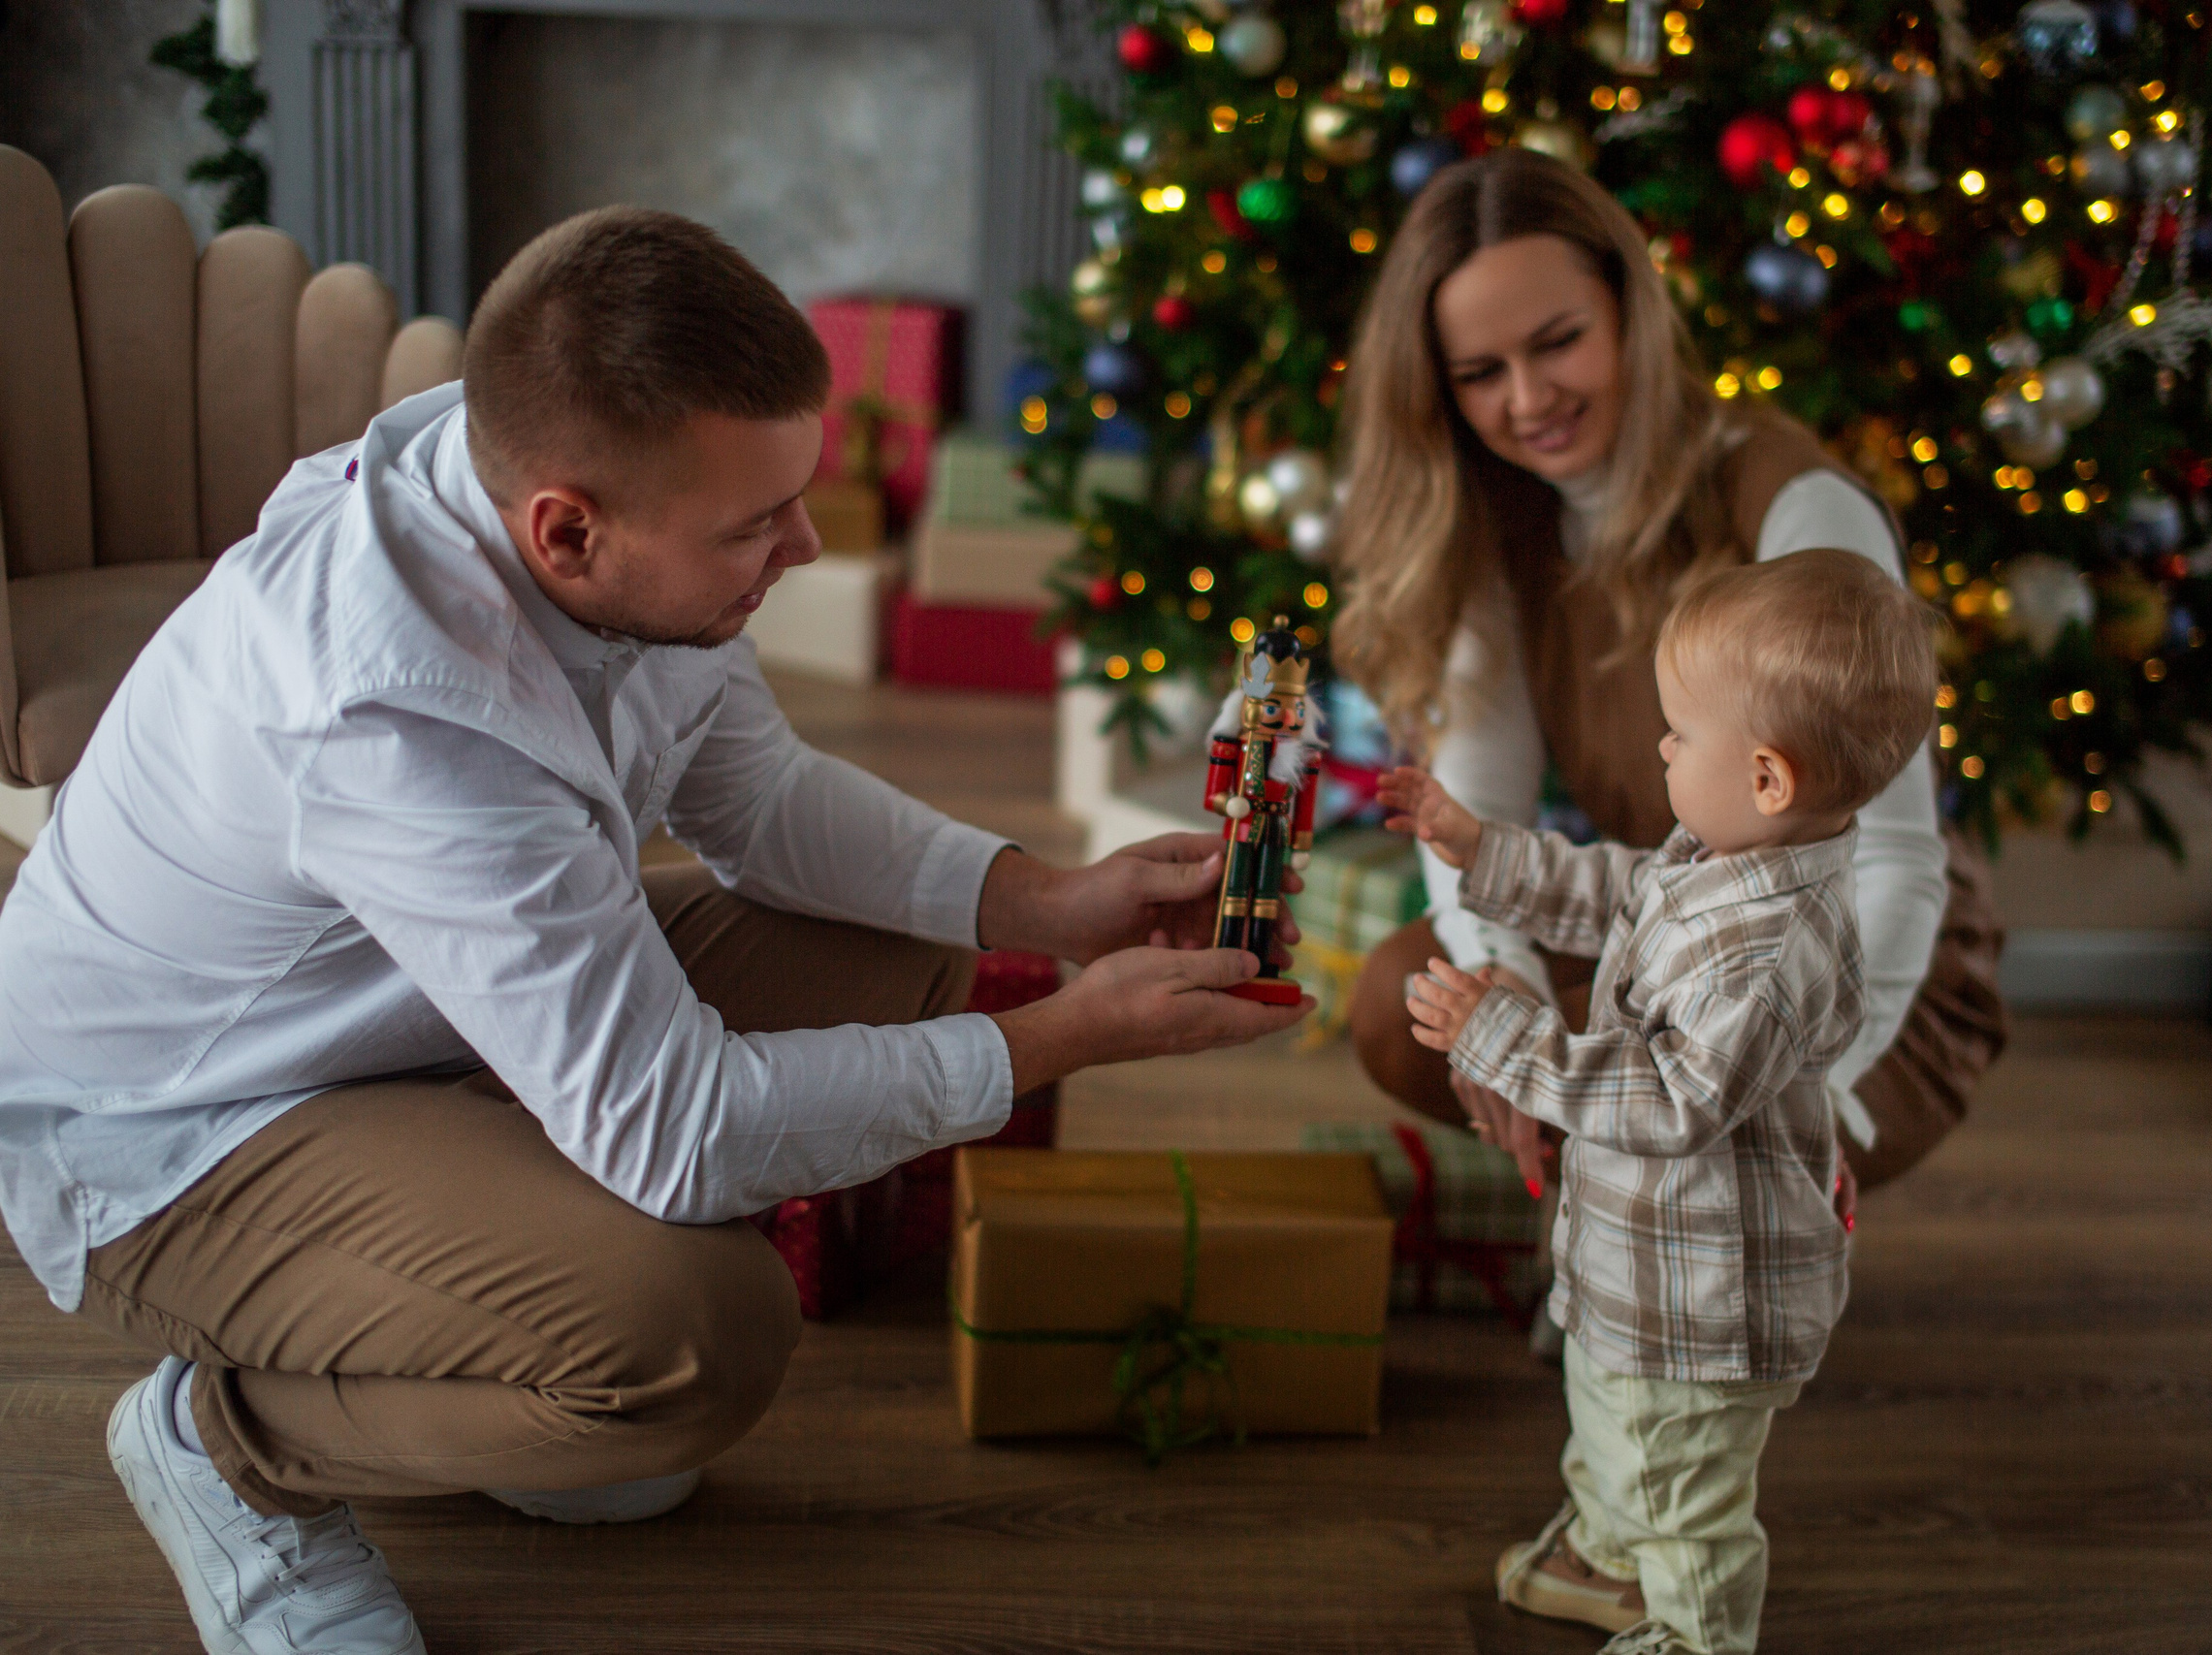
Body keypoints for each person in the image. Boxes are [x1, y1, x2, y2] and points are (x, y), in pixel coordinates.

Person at [0, 207, 1309, 1655]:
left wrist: (1054, 900)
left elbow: (760, 799)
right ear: (566, 529)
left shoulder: (578, 485)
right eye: (759, 526)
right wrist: (1069, 1032)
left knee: (904, 964)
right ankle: (226, 1441)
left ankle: (461, 1325)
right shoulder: (393, 710)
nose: (804, 548)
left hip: (408, 1017)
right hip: (181, 1126)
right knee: (694, 1339)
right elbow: (676, 1134)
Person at [1332, 149, 2004, 1192]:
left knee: (1714, 1123)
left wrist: (1794, 1092)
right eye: (1478, 373)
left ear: (1627, 312)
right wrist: (1501, 1006)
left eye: (1559, 341)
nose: (1528, 398)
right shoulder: (1491, 521)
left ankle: (1694, 1270)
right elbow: (1480, 810)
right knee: (1404, 1001)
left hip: (1847, 952)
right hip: (1663, 917)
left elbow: (1895, 867)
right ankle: (1616, 1247)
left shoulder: (1790, 505)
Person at [1377, 547, 1940, 1655]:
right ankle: (1603, 1554)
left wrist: (1503, 1037)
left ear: (1769, 777)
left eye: (1680, 734)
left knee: (1682, 1487)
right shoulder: (1723, 855)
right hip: (1642, 1260)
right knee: (1608, 1420)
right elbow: (1613, 886)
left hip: (1707, 1300)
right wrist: (1479, 849)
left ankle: (1695, 1629)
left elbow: (1673, 1099)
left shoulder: (1773, 953)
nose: (1662, 747)